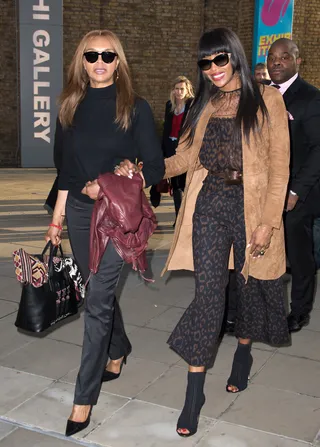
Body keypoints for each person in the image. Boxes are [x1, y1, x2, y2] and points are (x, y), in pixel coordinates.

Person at [160, 27, 290, 437]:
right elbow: (183, 157)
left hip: (251, 207)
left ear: (233, 55)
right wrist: (145, 167)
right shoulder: (204, 104)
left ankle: (243, 354)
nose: (213, 69)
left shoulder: (267, 99)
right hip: (211, 203)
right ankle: (193, 391)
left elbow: (279, 168)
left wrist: (268, 223)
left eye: (220, 59)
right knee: (208, 294)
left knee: (248, 287)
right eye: (205, 62)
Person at [45, 29, 164, 437]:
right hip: (79, 213)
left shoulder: (135, 108)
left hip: (115, 217)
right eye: (91, 55)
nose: (99, 62)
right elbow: (64, 171)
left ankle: (83, 398)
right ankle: (118, 350)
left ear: (119, 62)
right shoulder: (68, 107)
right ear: (81, 60)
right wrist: (56, 220)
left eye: (108, 56)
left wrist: (127, 175)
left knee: (96, 301)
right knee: (98, 290)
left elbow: (157, 167)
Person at [267, 38, 320, 333]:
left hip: (298, 195)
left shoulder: (311, 98)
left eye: (284, 57)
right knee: (268, 251)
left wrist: (295, 191)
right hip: (265, 191)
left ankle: (299, 311)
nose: (276, 62)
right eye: (272, 57)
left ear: (297, 61)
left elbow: (318, 149)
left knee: (299, 256)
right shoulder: (261, 95)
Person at [162, 76, 194, 219]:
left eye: (182, 89)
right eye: (176, 89)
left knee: (185, 184)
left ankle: (187, 217)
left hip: (185, 149)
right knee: (175, 185)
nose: (179, 92)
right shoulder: (169, 105)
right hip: (170, 147)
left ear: (187, 90)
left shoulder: (192, 105)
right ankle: (178, 217)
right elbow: (166, 129)